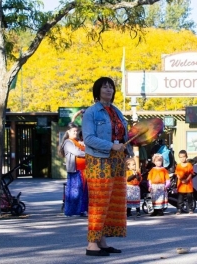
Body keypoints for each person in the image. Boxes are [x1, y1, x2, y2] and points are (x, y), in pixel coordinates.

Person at [82, 77, 133, 257]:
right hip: (99, 160)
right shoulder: (91, 112)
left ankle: (101, 241)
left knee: (111, 202)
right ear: (97, 90)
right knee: (99, 201)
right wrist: (111, 146)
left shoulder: (116, 111)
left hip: (117, 160)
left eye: (111, 87)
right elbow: (88, 139)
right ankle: (91, 244)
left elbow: (124, 135)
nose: (108, 89)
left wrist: (129, 154)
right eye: (104, 87)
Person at [58, 122, 87, 217]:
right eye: (74, 131)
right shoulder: (68, 142)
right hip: (75, 170)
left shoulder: (77, 141)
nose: (76, 133)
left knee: (82, 192)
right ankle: (72, 211)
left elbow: (83, 148)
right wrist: (88, 154)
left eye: (76, 131)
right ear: (68, 132)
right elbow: (76, 152)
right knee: (75, 192)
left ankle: (81, 210)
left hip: (83, 170)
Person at [174, 150, 195, 215]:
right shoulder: (178, 165)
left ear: (186, 157)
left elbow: (191, 174)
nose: (182, 158)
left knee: (189, 197)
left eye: (183, 157)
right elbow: (177, 174)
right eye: (180, 157)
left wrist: (186, 180)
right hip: (181, 184)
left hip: (188, 184)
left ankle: (190, 209)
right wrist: (181, 179)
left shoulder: (189, 165)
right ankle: (179, 209)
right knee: (180, 198)